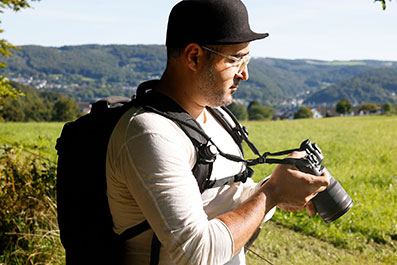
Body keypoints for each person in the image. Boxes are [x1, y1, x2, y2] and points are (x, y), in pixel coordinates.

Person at [106, 0, 330, 264]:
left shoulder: (216, 114)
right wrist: (271, 194)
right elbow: (196, 253)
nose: (245, 74)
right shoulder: (149, 134)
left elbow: (233, 202)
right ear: (194, 57)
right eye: (236, 59)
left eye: (247, 59)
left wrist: (283, 186)